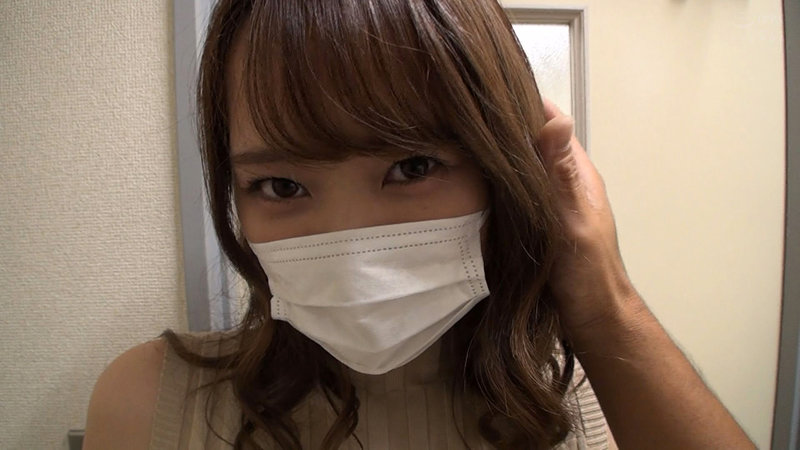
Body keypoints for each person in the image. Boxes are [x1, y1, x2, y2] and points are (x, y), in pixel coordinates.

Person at [83, 0, 756, 448]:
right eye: (282, 186)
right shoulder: (149, 402)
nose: (353, 250)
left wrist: (605, 302)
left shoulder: (589, 401)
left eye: (412, 167)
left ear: (504, 168)